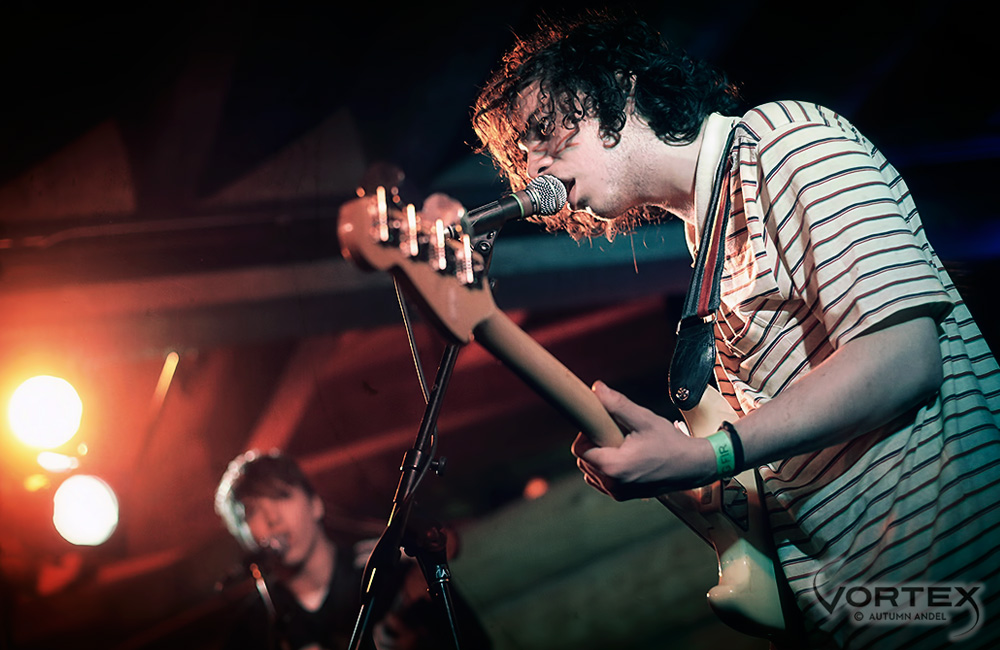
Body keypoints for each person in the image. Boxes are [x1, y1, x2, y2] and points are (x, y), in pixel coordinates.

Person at [465, 9, 1000, 649]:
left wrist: (707, 453)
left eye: (544, 130)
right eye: (521, 153)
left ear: (617, 88)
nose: (532, 165)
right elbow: (780, 473)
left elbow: (904, 356)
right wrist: (671, 475)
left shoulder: (783, 142)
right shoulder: (711, 251)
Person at [214, 449, 491, 650]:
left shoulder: (387, 569)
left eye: (281, 496)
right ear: (244, 537)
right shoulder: (253, 628)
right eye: (252, 512)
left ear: (315, 504)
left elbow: (472, 641)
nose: (272, 519)